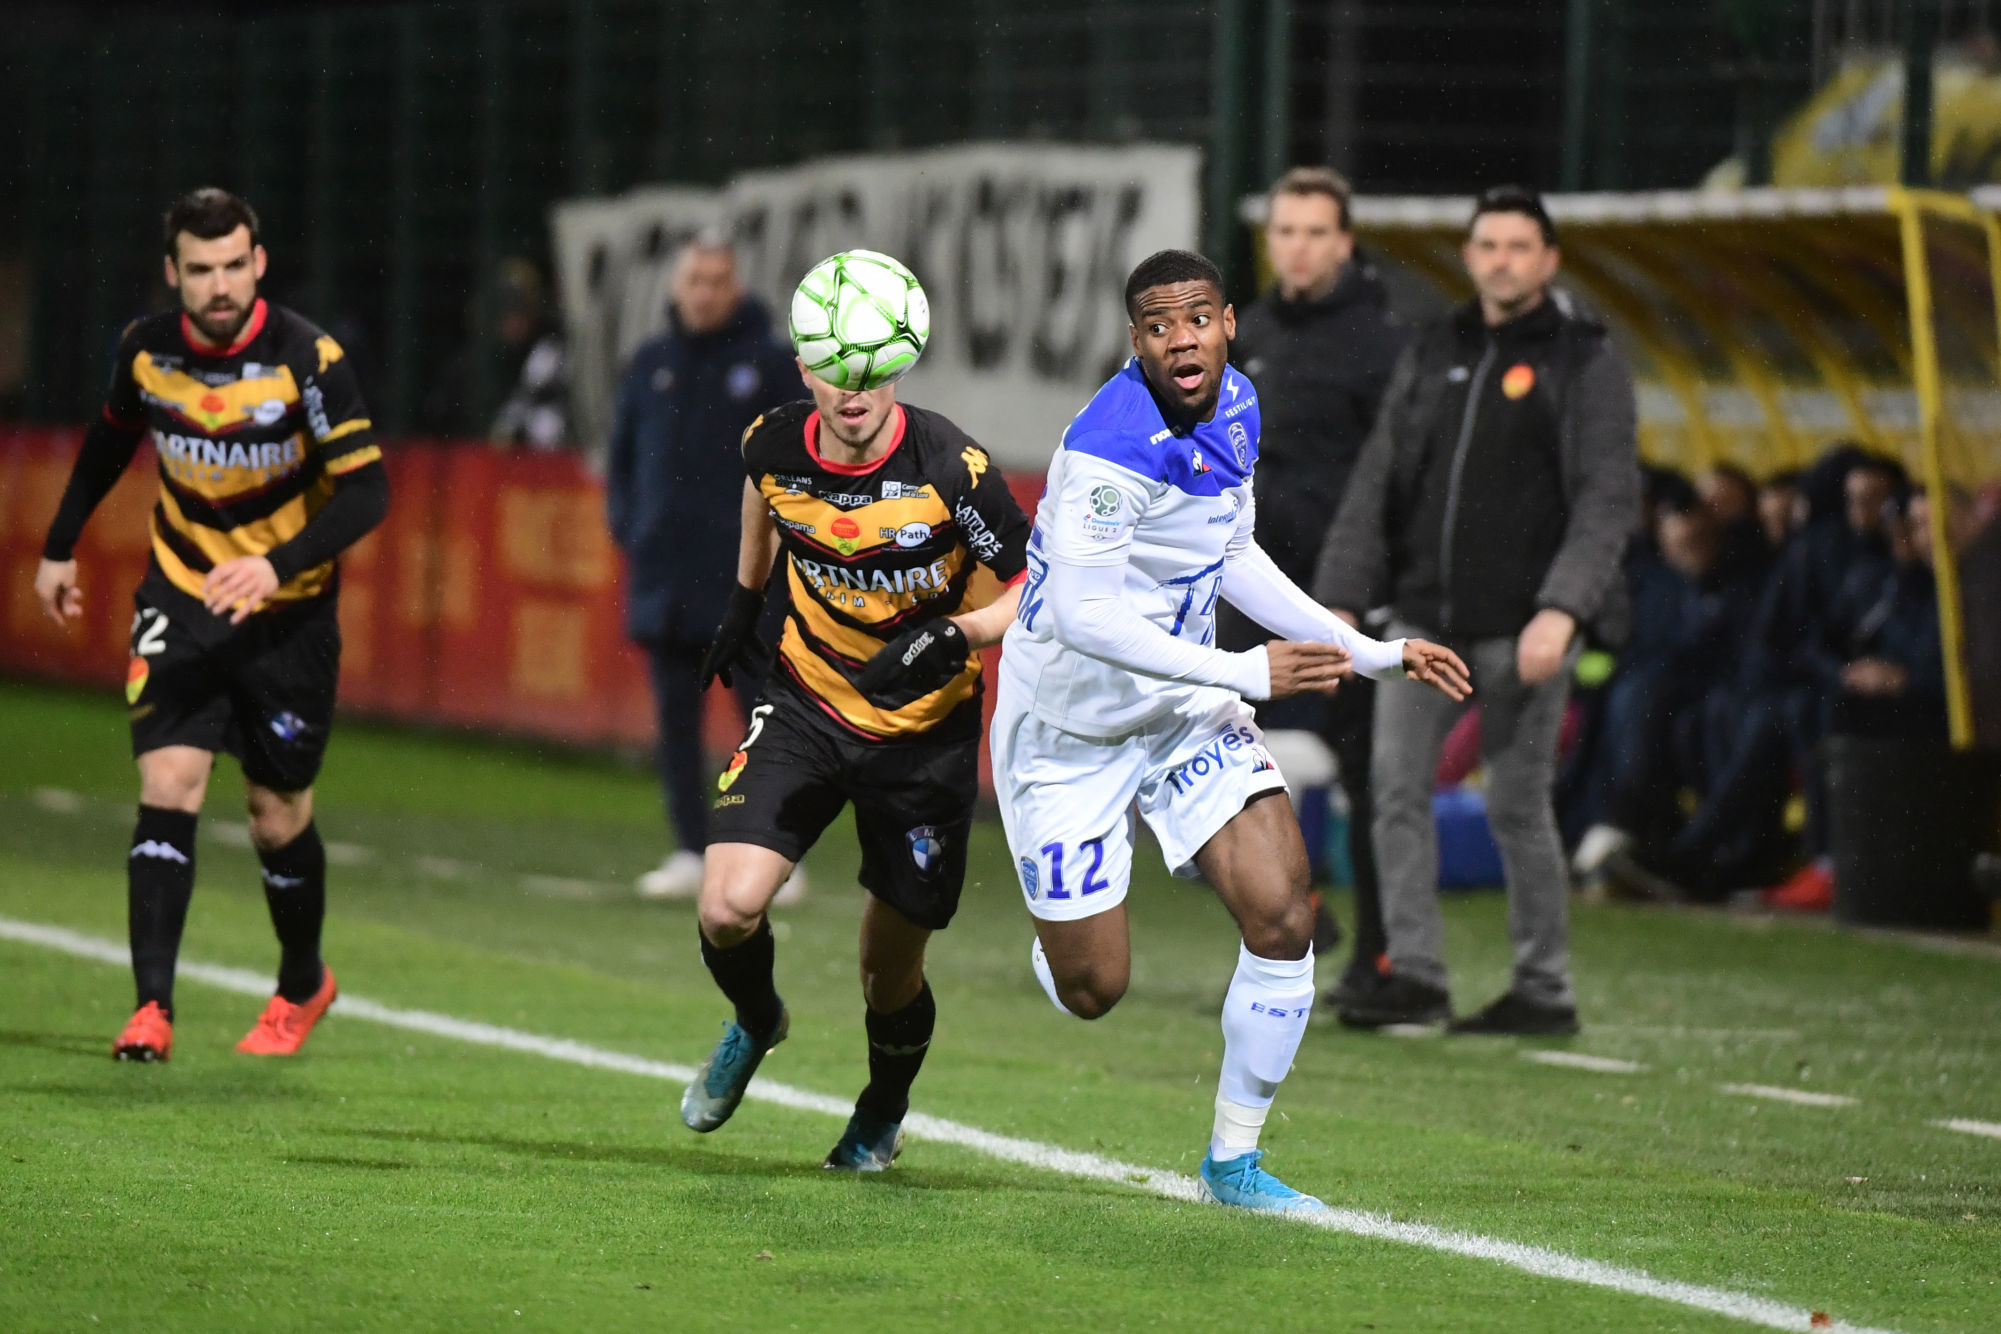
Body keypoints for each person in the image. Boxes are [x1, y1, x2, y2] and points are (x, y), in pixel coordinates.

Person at [991, 249, 1469, 1213]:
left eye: (1196, 319)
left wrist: (1365, 650)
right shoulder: (1104, 451)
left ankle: (1233, 1160)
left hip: (1178, 710)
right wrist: (1247, 670)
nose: (1181, 339)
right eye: (1159, 325)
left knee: (1284, 909)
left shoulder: (1240, 405)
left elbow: (1231, 550)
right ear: (1136, 342)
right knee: (1094, 990)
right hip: (1068, 728)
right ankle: (1059, 937)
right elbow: (1085, 619)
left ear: (1228, 323)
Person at [680, 253, 1033, 1171]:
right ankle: (756, 1022)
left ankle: (880, 1112)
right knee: (726, 908)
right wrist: (743, 603)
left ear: (903, 365)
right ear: (804, 366)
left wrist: (962, 634)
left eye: (874, 370)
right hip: (805, 705)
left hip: (925, 737)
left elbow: (1037, 587)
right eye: (835, 368)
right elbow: (763, 498)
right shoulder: (772, 441)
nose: (854, 389)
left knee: (889, 975)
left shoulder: (952, 469)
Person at [33, 188, 388, 1061]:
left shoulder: (308, 359)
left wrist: (275, 564)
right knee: (170, 786)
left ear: (259, 262)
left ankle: (302, 982)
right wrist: (59, 545)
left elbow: (368, 491)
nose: (219, 285)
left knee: (276, 814)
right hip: (181, 601)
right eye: (201, 270)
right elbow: (112, 439)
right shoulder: (147, 351)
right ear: (173, 273)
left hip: (287, 619)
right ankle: (151, 1009)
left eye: (234, 265)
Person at [1314, 186, 1639, 1036]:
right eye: (1487, 245)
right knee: (1391, 793)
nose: (1501, 260)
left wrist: (1562, 610)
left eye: (1518, 246)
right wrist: (1343, 592)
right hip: (1419, 622)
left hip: (1523, 625)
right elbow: (1378, 478)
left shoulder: (1584, 358)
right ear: (1469, 257)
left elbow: (1607, 497)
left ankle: (1544, 987)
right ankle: (1414, 974)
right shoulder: (1436, 347)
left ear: (1548, 260)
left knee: (1516, 807)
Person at [1226, 166, 1411, 1006]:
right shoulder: (1245, 335)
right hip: (1244, 597)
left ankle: (1381, 959)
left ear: (1343, 241)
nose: (1296, 247)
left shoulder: (1384, 345)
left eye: (1313, 232)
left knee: (1374, 783)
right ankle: (1298, 908)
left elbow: (1395, 482)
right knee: (1188, 767)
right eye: (1283, 231)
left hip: (1341, 601)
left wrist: (1361, 588)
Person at [606, 237, 801, 900]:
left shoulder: (770, 364)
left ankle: (766, 852)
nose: (705, 293)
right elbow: (624, 457)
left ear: (736, 287)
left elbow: (799, 462)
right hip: (666, 576)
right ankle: (690, 848)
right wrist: (632, 528)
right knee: (675, 725)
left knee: (762, 719)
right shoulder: (651, 363)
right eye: (694, 280)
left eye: (718, 280)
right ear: (675, 287)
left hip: (746, 578)